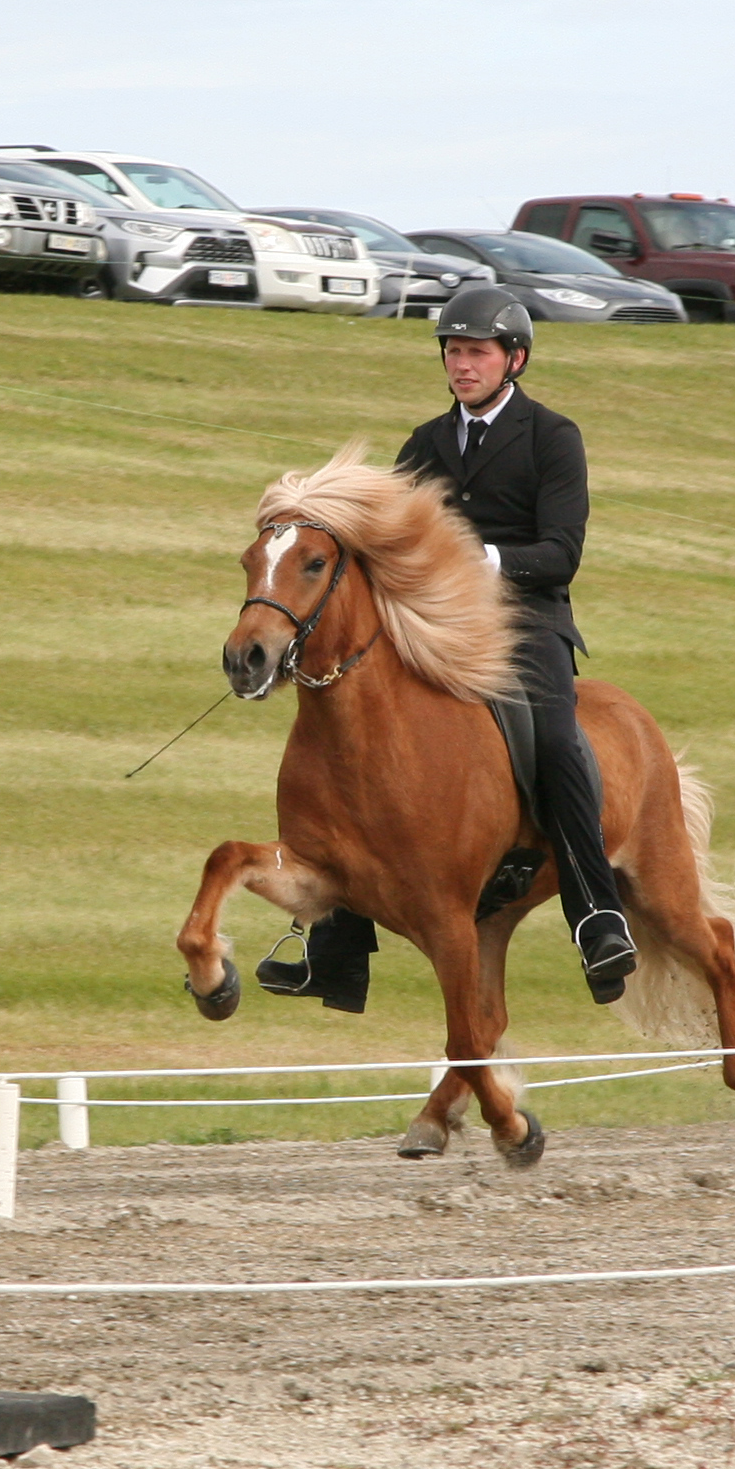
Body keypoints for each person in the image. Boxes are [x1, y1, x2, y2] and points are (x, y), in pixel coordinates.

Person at [260, 284, 640, 1011]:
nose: (462, 365)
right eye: (454, 352)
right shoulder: (425, 443)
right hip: (433, 625)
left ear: (514, 359)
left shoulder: (553, 437)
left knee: (556, 739)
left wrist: (471, 559)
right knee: (347, 735)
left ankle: (595, 914)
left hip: (526, 624)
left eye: (477, 353)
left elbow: (561, 554)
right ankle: (336, 950)